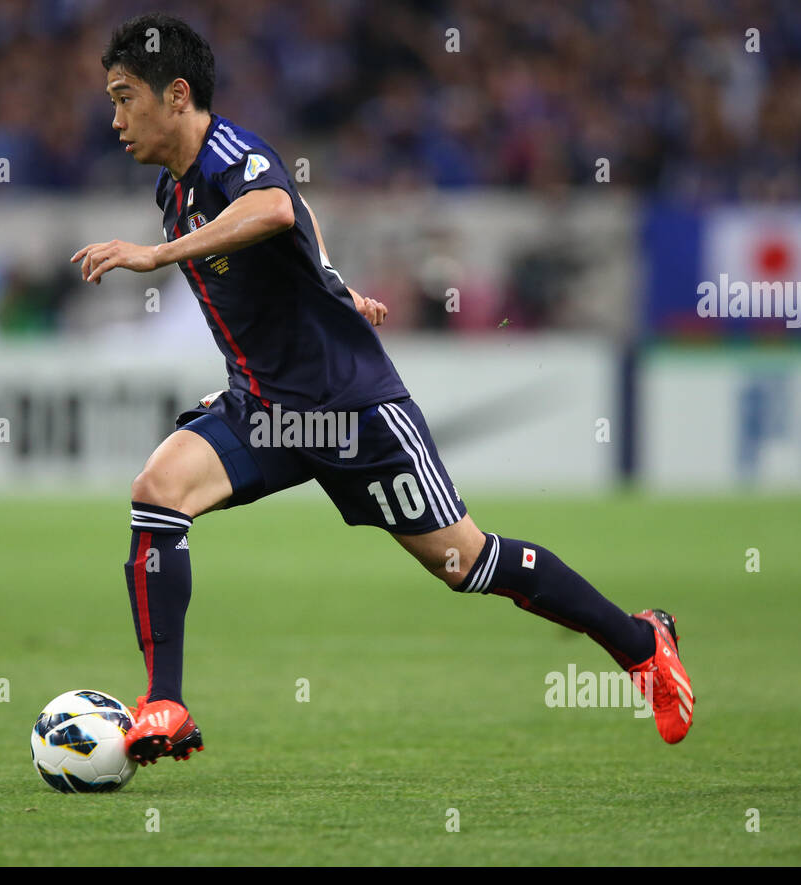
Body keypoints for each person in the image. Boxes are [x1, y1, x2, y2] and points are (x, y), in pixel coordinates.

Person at [70, 14, 694, 764]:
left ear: (176, 95)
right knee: (159, 490)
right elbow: (298, 216)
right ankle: (164, 704)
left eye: (123, 96)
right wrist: (331, 276)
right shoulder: (175, 191)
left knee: (464, 563)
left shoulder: (231, 157)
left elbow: (273, 207)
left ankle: (640, 644)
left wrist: (157, 256)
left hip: (353, 412)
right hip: (267, 410)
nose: (114, 118)